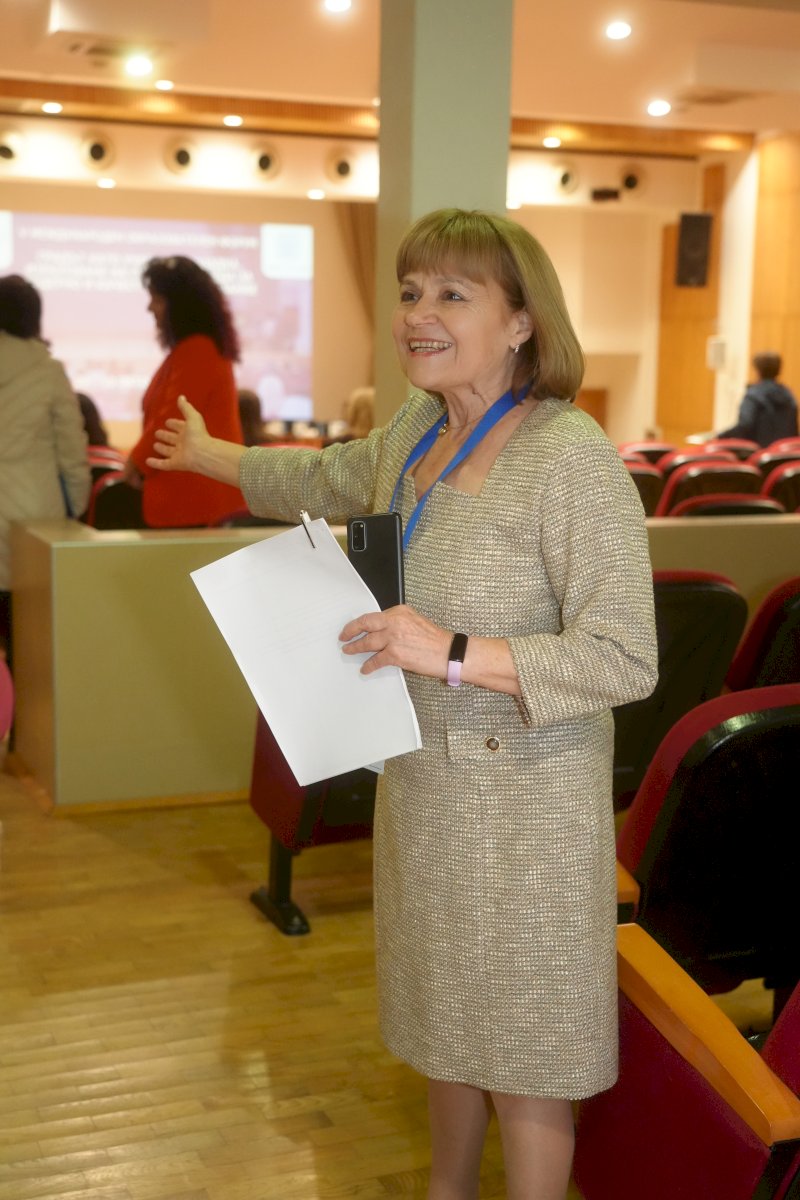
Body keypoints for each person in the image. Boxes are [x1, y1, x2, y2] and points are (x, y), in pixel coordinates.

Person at [146, 209, 658, 1200]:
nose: (418, 313)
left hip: (526, 812)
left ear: (520, 322)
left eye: (451, 295)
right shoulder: (417, 433)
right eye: (410, 291)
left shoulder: (569, 456)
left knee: (526, 1052)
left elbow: (623, 656)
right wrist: (211, 457)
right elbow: (319, 474)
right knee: (443, 1023)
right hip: (424, 789)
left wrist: (450, 651)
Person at [0, 274, 90, 663]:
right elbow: (72, 451)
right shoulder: (49, 371)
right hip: (35, 520)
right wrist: (76, 509)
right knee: (31, 650)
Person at [119, 256, 245, 526]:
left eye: (157, 299)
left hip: (196, 501)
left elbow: (169, 422)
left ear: (180, 306)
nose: (150, 308)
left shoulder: (198, 351)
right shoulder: (194, 350)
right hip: (194, 497)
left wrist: (134, 464)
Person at [716, 351, 798, 447]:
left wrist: (720, 436)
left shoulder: (753, 395)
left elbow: (745, 425)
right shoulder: (789, 396)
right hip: (784, 452)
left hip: (759, 452)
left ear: (757, 371)